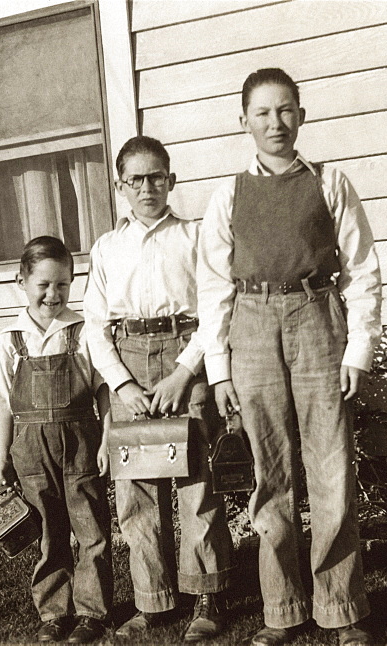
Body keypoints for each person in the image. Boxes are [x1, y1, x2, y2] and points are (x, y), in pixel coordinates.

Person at [196, 68, 382, 646]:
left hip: (317, 318)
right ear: (244, 120)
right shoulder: (228, 193)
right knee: (268, 472)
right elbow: (211, 285)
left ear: (301, 115)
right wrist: (220, 367)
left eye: (285, 110)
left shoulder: (331, 183)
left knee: (330, 466)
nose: (275, 123)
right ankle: (282, 610)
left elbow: (363, 270)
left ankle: (341, 609)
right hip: (251, 325)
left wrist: (358, 350)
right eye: (262, 113)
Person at [83, 136, 233, 643]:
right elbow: (95, 327)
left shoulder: (195, 236)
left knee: (195, 481)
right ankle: (154, 601)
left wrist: (185, 371)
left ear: (171, 179)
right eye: (136, 179)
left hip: (183, 357)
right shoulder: (107, 247)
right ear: (120, 185)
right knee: (137, 490)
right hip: (128, 361)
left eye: (157, 177)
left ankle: (206, 595)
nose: (147, 188)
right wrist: (122, 385)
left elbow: (216, 311)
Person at [0, 236, 113, 644]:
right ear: (22, 282)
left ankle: (92, 613)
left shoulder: (82, 332)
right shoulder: (10, 341)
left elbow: (104, 389)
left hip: (82, 440)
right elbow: (2, 403)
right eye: (43, 285)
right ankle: (54, 612)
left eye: (63, 285)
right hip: (30, 449)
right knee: (49, 531)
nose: (53, 295)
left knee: (90, 527)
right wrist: (3, 457)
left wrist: (108, 437)